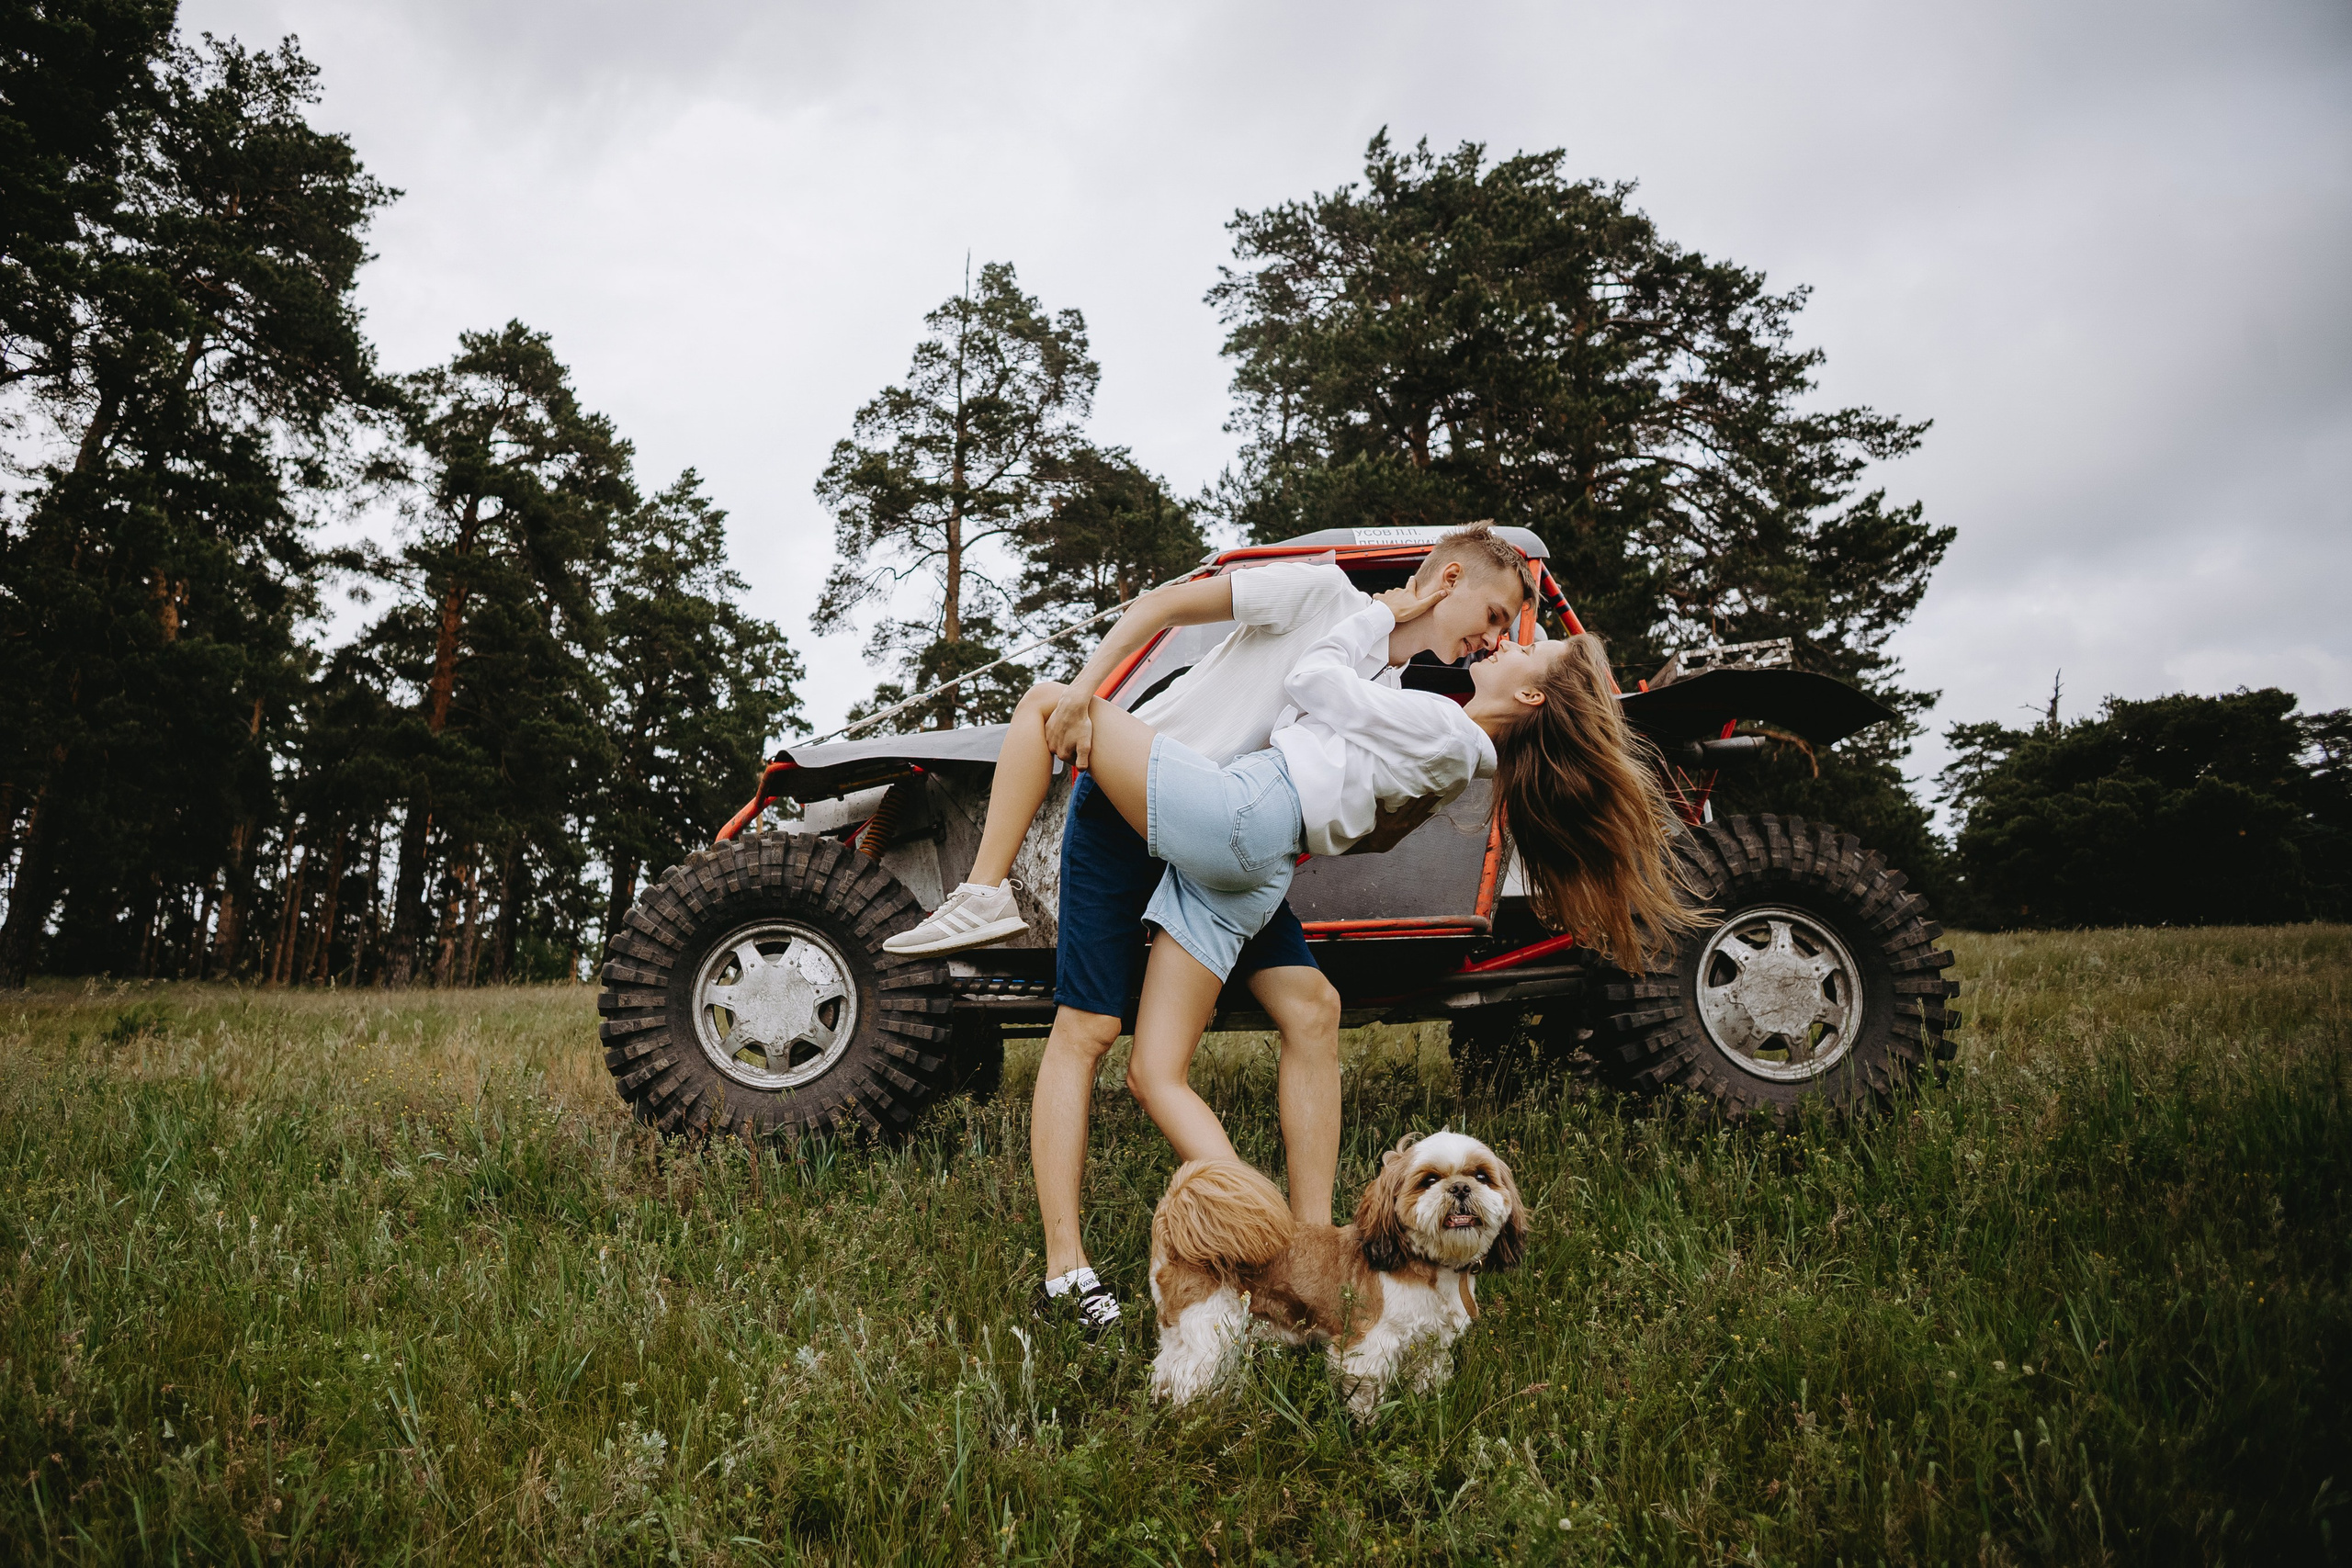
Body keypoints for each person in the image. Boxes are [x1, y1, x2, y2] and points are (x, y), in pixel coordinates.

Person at [888, 525, 1535, 1330]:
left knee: (1313, 1009)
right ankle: (1068, 1269)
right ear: (1446, 578)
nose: (1495, 636)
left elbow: (1342, 808)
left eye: (1507, 630)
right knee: (1088, 1026)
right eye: (1497, 611)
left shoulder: (1394, 681)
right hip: (1139, 807)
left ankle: (1308, 1251)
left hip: (1232, 851)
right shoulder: (1324, 594)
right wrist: (1091, 691)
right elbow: (1163, 606)